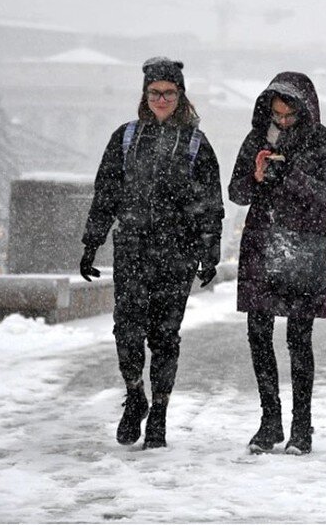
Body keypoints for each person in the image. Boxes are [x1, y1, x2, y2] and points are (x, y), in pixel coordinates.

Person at [79, 57, 224, 450]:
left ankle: (158, 413)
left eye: (169, 93)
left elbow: (211, 203)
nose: (162, 99)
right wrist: (92, 241)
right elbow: (106, 194)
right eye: (155, 92)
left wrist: (210, 251)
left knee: (164, 337)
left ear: (180, 96)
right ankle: (135, 393)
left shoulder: (196, 144)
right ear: (145, 95)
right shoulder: (125, 138)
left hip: (177, 254)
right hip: (132, 251)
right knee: (126, 331)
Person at [228, 71, 326, 456]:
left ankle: (301, 426)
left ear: (303, 111)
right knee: (258, 334)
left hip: (305, 245)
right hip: (263, 240)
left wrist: (290, 173)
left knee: (298, 339)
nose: (282, 121)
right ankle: (270, 420)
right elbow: (237, 192)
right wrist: (257, 175)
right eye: (276, 115)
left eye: (289, 116)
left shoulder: (323, 141)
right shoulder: (257, 139)